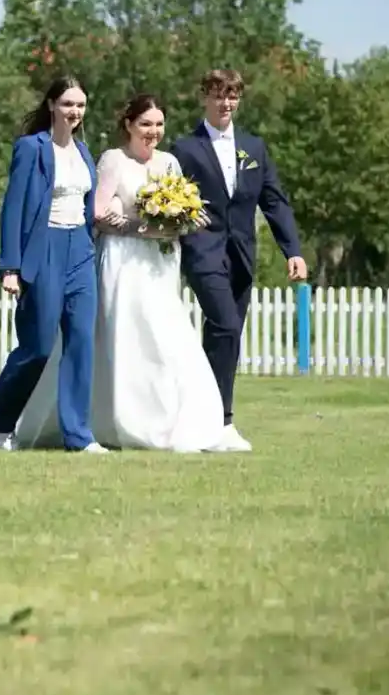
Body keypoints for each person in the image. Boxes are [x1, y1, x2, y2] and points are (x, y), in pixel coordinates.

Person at [169, 69, 308, 452]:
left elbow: (274, 201)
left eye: (232, 96)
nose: (226, 103)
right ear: (204, 98)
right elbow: (170, 198)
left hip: (243, 255)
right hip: (201, 252)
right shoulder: (185, 149)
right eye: (218, 95)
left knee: (224, 335)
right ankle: (221, 421)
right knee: (226, 325)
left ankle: (213, 420)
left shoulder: (254, 148)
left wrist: (292, 250)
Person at [88, 95, 227, 452]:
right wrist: (139, 228)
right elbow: (99, 214)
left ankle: (172, 419)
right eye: (146, 124)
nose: (153, 132)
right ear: (129, 125)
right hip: (123, 260)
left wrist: (186, 220)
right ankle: (121, 421)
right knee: (128, 336)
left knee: (165, 337)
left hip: (162, 262)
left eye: (159, 124)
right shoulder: (114, 160)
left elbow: (182, 210)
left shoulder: (169, 162)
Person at [0, 76, 108, 453]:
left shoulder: (84, 152)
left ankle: (78, 435)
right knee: (36, 346)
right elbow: (13, 207)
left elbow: (87, 208)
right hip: (44, 249)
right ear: (52, 105)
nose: (75, 112)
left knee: (82, 342)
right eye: (68, 104)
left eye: (81, 105)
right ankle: (0, 423)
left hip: (80, 252)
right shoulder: (31, 148)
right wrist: (10, 266)